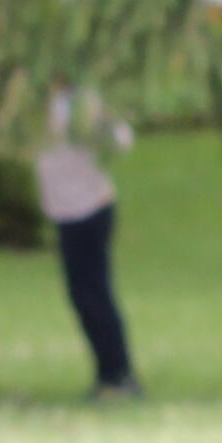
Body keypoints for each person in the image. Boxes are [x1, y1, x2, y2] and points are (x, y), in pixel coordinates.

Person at [36, 89, 140, 396]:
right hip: (66, 213)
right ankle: (107, 372)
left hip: (89, 209)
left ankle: (119, 374)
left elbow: (121, 139)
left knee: (94, 294)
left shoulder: (80, 104)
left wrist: (100, 126)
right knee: (82, 295)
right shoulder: (39, 104)